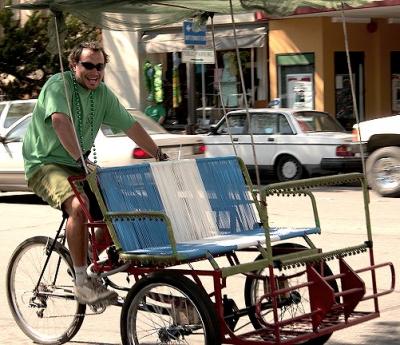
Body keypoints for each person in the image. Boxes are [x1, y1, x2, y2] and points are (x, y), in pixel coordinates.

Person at [22, 41, 165, 305]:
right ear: (75, 65)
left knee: (123, 206)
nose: (95, 72)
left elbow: (131, 126)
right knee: (79, 205)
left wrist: (158, 154)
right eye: (88, 65)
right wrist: (80, 158)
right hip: (46, 163)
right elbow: (60, 122)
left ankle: (88, 253)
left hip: (79, 163)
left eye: (100, 67)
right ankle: (81, 282)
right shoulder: (59, 85)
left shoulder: (103, 95)